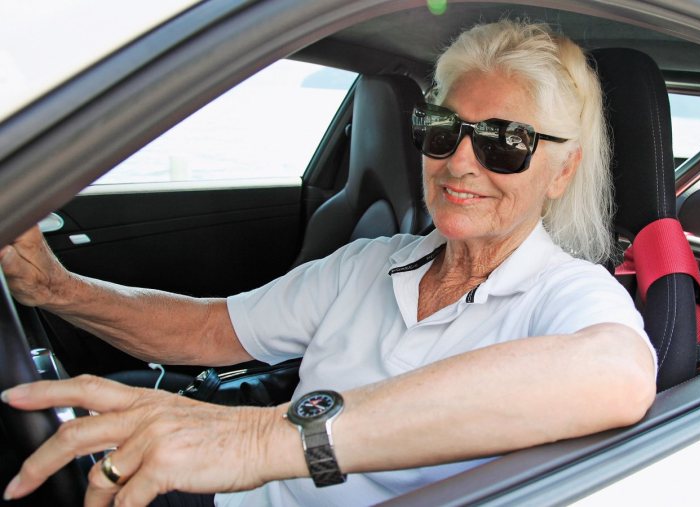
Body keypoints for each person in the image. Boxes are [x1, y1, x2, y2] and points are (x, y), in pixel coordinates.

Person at [0, 20, 656, 507]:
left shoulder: (566, 294)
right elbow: (208, 330)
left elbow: (619, 373)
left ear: (562, 169)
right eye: (442, 127)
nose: (460, 161)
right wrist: (56, 288)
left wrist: (258, 439)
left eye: (503, 143)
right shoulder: (370, 264)